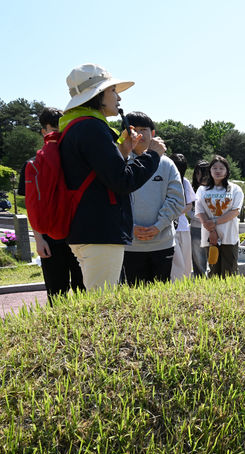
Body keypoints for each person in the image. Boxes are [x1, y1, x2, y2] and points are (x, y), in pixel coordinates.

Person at [59, 63, 164, 290]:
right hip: (100, 231)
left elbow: (97, 173)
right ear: (98, 95)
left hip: (85, 228)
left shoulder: (75, 126)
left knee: (96, 300)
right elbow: (122, 181)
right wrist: (153, 155)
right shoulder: (92, 128)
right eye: (113, 91)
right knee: (101, 305)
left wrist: (123, 150)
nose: (118, 98)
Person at [18, 107, 84, 304]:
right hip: (50, 239)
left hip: (79, 234)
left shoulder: (76, 159)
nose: (58, 131)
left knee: (83, 290)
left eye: (61, 126)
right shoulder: (32, 164)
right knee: (56, 293)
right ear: (43, 132)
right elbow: (31, 206)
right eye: (53, 127)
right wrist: (38, 240)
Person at [122, 112, 184, 285]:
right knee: (134, 297)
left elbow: (177, 200)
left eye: (145, 129)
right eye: (134, 130)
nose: (140, 135)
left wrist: (158, 226)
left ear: (153, 133)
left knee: (161, 297)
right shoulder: (120, 162)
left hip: (163, 243)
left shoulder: (166, 164)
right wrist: (130, 227)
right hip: (130, 244)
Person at [195, 155, 243, 277]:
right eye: (214, 168)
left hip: (229, 235)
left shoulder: (235, 189)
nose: (217, 171)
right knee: (213, 271)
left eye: (221, 168)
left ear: (227, 171)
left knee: (229, 271)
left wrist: (215, 222)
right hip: (210, 237)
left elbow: (235, 211)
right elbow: (200, 212)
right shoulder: (202, 190)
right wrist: (212, 231)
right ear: (210, 170)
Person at [169, 153, 197, 281]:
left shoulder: (185, 182)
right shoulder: (165, 180)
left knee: (186, 261)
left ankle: (184, 285)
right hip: (169, 228)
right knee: (175, 262)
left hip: (183, 227)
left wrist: (176, 212)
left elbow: (189, 205)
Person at [190, 160, 210, 277]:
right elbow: (189, 210)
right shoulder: (192, 189)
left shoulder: (217, 189)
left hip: (214, 228)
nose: (200, 176)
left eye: (202, 173)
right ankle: (201, 283)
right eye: (197, 173)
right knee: (198, 261)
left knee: (214, 259)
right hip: (197, 227)